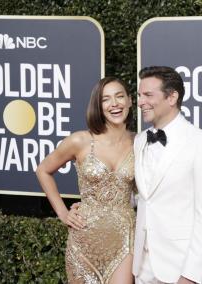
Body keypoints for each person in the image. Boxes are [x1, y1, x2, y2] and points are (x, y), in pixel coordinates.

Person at [36, 76, 136, 284]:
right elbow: (43, 170)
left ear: (130, 101)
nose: (114, 104)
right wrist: (63, 213)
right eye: (106, 99)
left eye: (119, 96)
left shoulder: (141, 142)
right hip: (84, 238)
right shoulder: (80, 140)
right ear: (98, 106)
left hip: (125, 239)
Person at [133, 66, 202, 284]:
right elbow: (143, 196)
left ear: (172, 97)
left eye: (148, 95)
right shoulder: (140, 140)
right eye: (139, 95)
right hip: (142, 267)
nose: (140, 102)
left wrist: (191, 275)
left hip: (180, 268)